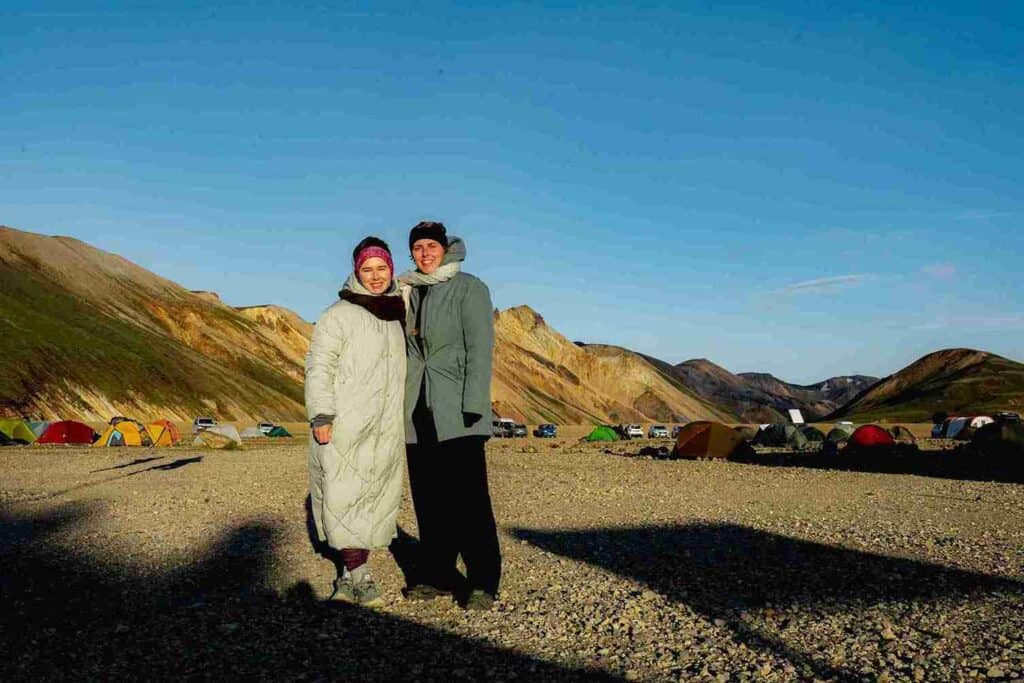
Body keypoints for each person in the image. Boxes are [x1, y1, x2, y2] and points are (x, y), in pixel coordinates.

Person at [399, 221, 501, 611]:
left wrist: (473, 405)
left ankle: (483, 580)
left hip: (458, 410)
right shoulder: (407, 289)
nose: (425, 254)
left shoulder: (469, 288)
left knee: (469, 500)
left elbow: (480, 349)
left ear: (446, 248)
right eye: (418, 248)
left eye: (431, 246)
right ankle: (437, 574)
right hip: (417, 409)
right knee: (429, 498)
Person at [305, 236, 407, 606]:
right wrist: (321, 413)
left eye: (382, 268)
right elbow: (319, 367)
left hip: (385, 425)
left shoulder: (397, 314)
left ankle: (352, 573)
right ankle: (357, 575)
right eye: (368, 269)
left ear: (391, 270)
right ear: (355, 271)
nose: (375, 276)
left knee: (374, 496)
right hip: (345, 421)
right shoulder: (338, 315)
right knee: (343, 494)